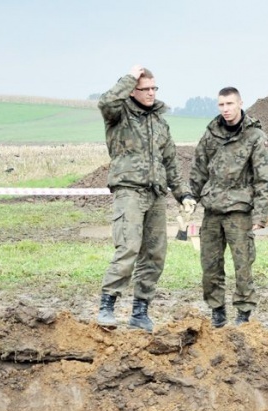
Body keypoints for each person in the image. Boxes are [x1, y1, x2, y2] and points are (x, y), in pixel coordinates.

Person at [96, 65, 195, 331]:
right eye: (145, 89)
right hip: (129, 190)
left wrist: (183, 193)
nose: (151, 93)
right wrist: (128, 77)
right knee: (128, 247)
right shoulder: (119, 115)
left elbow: (170, 163)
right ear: (132, 91)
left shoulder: (160, 123)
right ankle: (107, 306)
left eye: (154, 88)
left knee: (154, 254)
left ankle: (140, 312)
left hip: (156, 194)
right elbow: (105, 102)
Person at [189, 87, 268, 327]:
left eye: (230, 104)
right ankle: (217, 311)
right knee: (210, 266)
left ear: (240, 104)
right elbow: (199, 169)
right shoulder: (211, 133)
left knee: (243, 266)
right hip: (212, 211)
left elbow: (263, 178)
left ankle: (243, 313)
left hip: (240, 211)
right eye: (221, 105)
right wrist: (190, 199)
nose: (225, 109)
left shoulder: (254, 136)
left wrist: (261, 214)